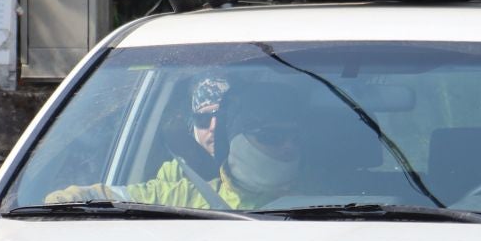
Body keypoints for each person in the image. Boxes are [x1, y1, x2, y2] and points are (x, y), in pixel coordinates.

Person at [45, 80, 301, 211]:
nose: (289, 147)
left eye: (296, 138)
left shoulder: (328, 197)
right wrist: (74, 199)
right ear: (233, 140)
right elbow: (122, 197)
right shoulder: (187, 195)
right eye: (272, 137)